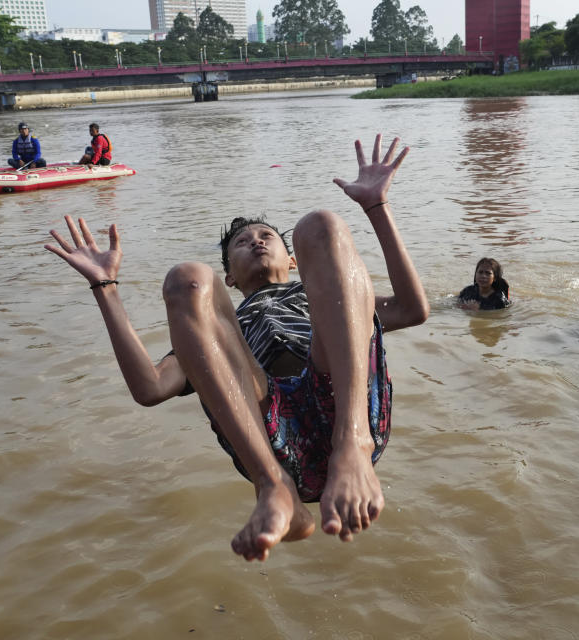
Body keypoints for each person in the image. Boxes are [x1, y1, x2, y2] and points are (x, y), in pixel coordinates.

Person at [45, 135, 429, 562]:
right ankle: (274, 489)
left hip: (348, 413)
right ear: (230, 277)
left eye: (266, 236)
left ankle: (350, 446)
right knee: (187, 277)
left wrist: (377, 208)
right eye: (242, 243)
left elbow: (412, 309)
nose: (256, 241)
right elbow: (150, 387)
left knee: (320, 224)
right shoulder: (220, 329)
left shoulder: (326, 295)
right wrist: (105, 287)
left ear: (293, 259)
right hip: (270, 443)